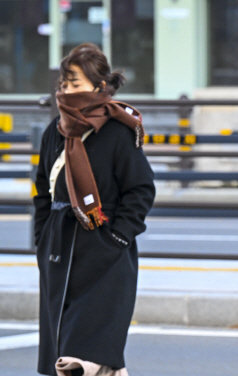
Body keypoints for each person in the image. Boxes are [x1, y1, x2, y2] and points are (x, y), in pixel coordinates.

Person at [33, 43, 155, 376]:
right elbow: (42, 190)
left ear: (99, 87)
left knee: (86, 354)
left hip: (105, 255)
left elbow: (141, 189)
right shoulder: (53, 133)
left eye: (75, 84)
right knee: (67, 350)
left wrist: (117, 238)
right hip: (59, 249)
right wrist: (41, 237)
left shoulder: (117, 132)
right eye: (64, 84)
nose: (67, 91)